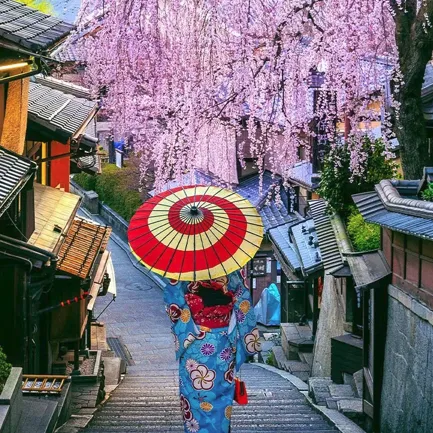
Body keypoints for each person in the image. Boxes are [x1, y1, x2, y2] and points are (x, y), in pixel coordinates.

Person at [164, 270, 261, 433]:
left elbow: (173, 305)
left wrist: (195, 311)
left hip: (194, 340)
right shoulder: (229, 265)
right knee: (221, 396)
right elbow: (242, 302)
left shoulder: (180, 268)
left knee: (194, 396)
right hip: (223, 342)